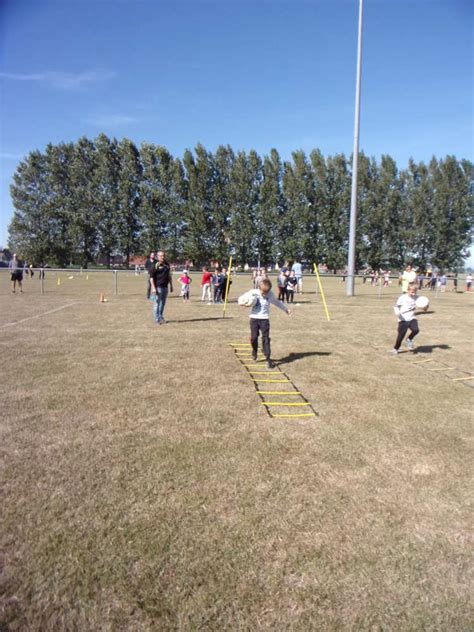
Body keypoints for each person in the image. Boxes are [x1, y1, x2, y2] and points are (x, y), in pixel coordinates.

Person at [239, 278, 291, 369]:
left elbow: (277, 302)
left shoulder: (270, 295)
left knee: (266, 339)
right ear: (259, 288)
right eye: (263, 292)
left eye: (266, 292)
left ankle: (268, 359)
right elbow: (240, 299)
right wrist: (244, 303)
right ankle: (254, 351)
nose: (264, 294)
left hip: (264, 319)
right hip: (254, 318)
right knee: (254, 338)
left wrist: (286, 309)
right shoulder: (253, 292)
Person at [392, 281, 427, 354]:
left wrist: (425, 307)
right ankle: (396, 348)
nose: (413, 294)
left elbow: (424, 307)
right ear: (408, 290)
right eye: (412, 292)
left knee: (416, 330)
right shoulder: (402, 297)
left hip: (412, 318)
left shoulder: (418, 298)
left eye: (415, 292)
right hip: (403, 319)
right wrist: (397, 312)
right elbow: (396, 306)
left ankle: (409, 339)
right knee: (401, 336)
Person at [149, 250, 173, 324]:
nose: (163, 257)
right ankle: (157, 319)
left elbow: (169, 275)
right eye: (161, 255)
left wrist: (171, 285)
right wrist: (153, 287)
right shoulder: (155, 265)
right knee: (157, 303)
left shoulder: (167, 264)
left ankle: (161, 317)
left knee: (163, 304)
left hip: (165, 287)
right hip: (158, 287)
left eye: (164, 255)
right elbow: (151, 278)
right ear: (158, 256)